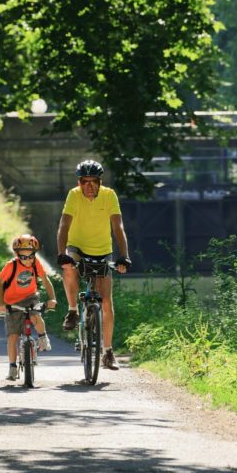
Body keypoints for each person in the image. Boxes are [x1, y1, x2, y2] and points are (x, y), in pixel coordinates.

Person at [56, 159, 131, 370]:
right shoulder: (73, 195)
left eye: (93, 182)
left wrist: (124, 256)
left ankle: (107, 352)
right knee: (69, 268)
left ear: (100, 182)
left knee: (106, 302)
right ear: (79, 182)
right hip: (77, 247)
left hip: (102, 251)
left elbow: (118, 227)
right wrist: (61, 254)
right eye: (84, 182)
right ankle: (72, 310)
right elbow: (64, 225)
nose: (89, 186)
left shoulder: (109, 195)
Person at [0, 234, 57, 380]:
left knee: (36, 315)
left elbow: (45, 280)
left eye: (31, 256)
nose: (28, 260)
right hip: (12, 302)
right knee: (13, 336)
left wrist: (52, 298)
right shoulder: (11, 266)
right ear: (17, 255)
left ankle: (42, 337)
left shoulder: (36, 263)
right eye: (24, 257)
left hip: (30, 297)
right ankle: (12, 367)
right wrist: (1, 303)